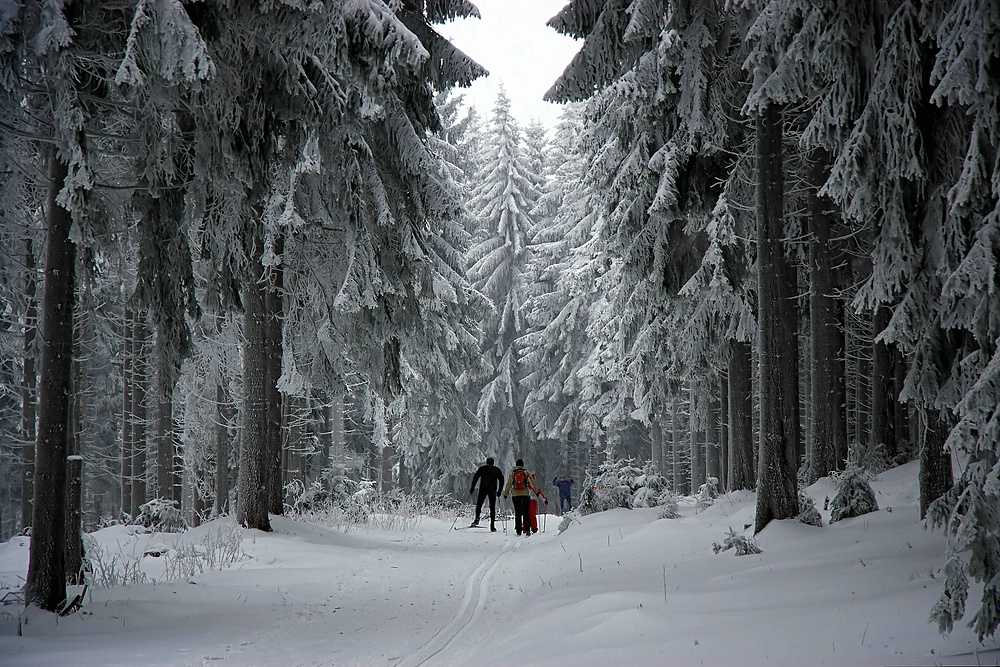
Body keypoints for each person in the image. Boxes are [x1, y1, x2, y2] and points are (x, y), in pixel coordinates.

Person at [503, 459, 547, 536]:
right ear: (523, 465)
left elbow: (508, 484)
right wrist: (536, 492)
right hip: (525, 494)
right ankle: (527, 530)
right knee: (526, 513)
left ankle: (518, 530)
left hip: (515, 495)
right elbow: (532, 484)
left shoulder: (513, 473)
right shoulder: (526, 472)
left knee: (517, 512)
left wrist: (506, 494)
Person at [469, 457, 504, 531]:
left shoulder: (482, 468)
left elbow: (475, 477)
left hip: (483, 488)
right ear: (493, 463)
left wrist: (472, 488)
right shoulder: (497, 470)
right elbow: (502, 480)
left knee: (479, 504)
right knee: (492, 507)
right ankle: (492, 526)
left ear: (486, 462)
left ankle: (477, 519)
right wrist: (499, 491)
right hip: (492, 490)